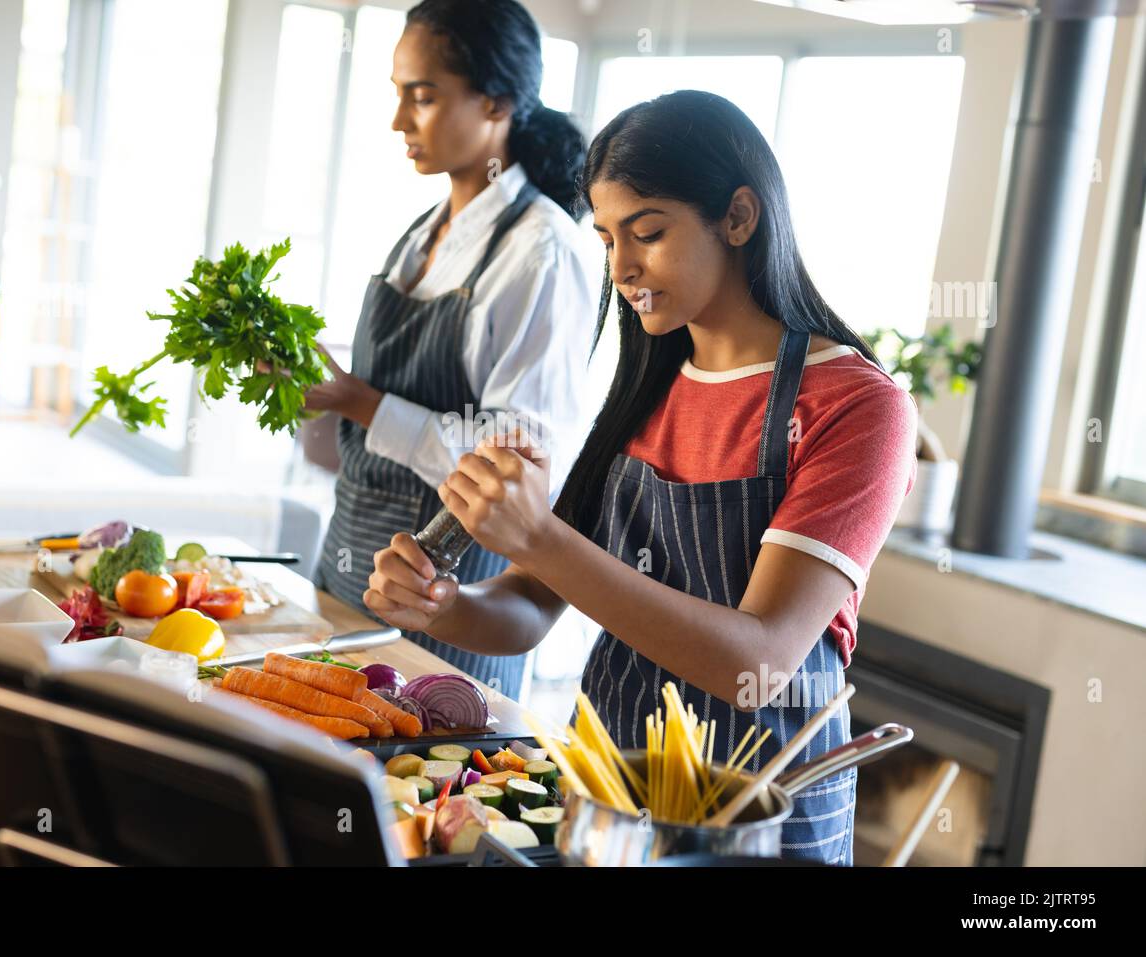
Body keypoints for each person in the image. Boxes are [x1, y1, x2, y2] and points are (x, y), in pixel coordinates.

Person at [363, 90, 919, 864]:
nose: (622, 268)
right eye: (606, 238)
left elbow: (755, 663)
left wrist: (538, 534)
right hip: (612, 796)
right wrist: (441, 604)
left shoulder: (859, 407)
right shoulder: (649, 383)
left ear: (739, 218)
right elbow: (531, 603)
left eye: (648, 234)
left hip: (757, 819)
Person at [304, 0, 595, 701]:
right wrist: (317, 392)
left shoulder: (542, 252)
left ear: (496, 101)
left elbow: (516, 463)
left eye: (423, 96)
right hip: (349, 575)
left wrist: (359, 400)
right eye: (398, 94)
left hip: (447, 606)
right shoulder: (421, 231)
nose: (399, 120)